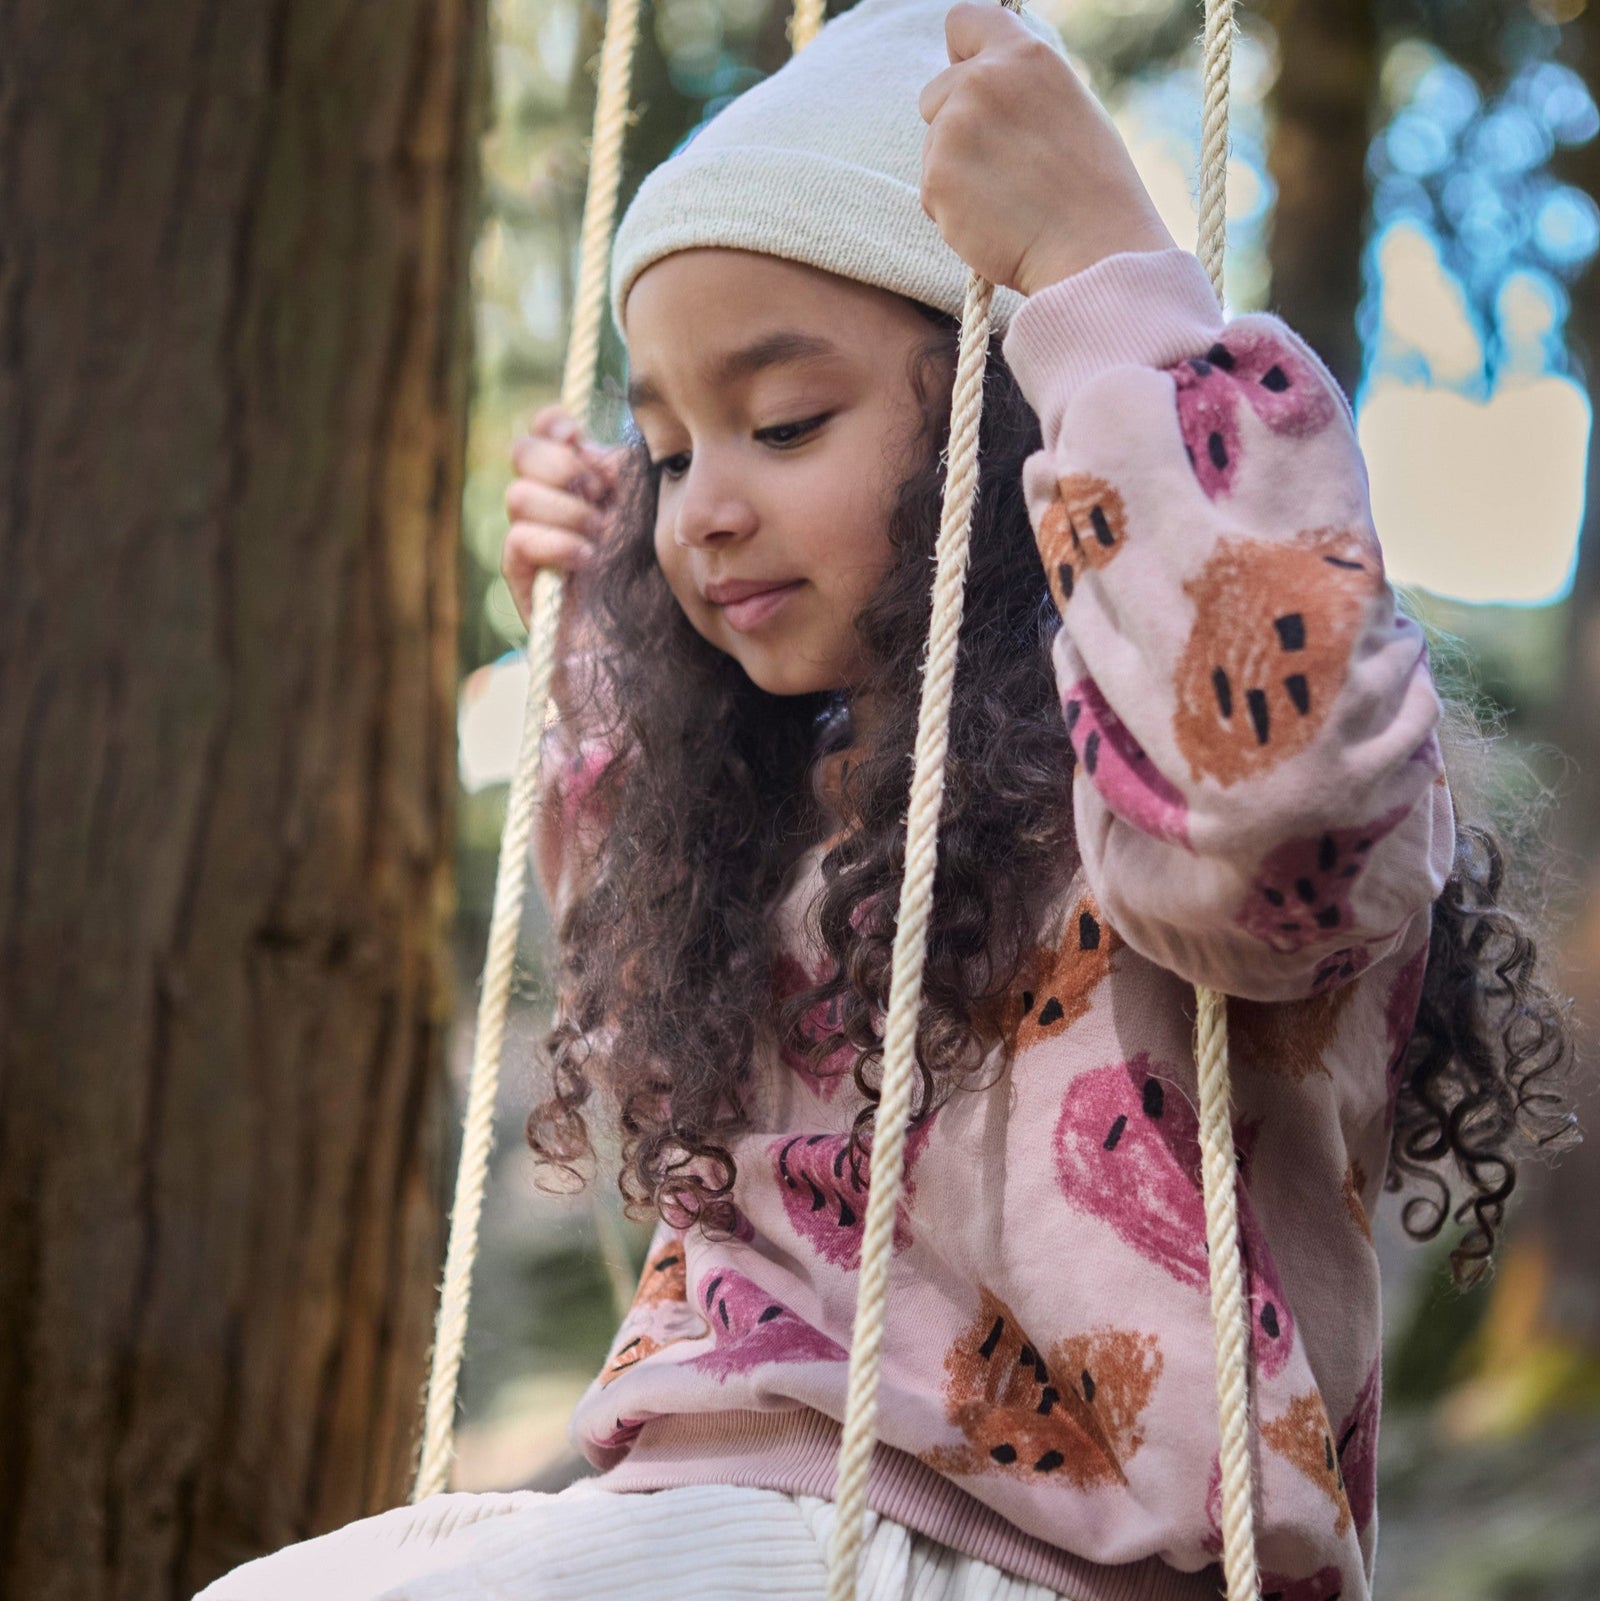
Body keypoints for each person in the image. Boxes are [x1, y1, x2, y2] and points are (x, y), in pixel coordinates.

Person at [196, 0, 1572, 1597]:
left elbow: (1280, 798)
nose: (702, 506)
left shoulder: (1125, 782)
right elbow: (659, 1084)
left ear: (1002, 417)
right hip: (746, 1507)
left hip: (1030, 1558)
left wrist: (1099, 285)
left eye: (781, 423)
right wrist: (591, 652)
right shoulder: (812, 821)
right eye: (668, 447)